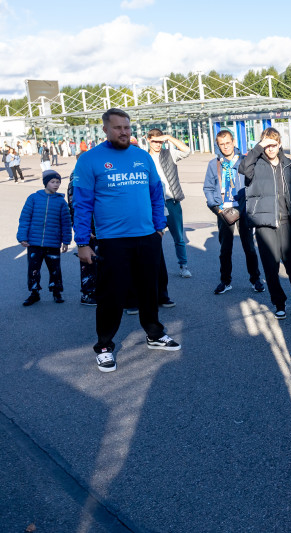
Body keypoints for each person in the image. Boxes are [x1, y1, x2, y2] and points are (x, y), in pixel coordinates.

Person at [72, 108, 181, 374]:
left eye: (127, 127)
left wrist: (159, 227)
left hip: (147, 237)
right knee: (112, 294)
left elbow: (156, 193)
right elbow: (82, 204)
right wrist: (82, 243)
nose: (124, 132)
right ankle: (104, 346)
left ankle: (154, 333)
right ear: (105, 130)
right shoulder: (90, 160)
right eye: (118, 128)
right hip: (112, 240)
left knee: (149, 290)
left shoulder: (141, 157)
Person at [241, 128, 291, 319]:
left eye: (273, 145)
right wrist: (259, 147)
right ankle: (279, 304)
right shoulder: (255, 164)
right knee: (271, 267)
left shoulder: (288, 164)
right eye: (266, 145)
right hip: (265, 224)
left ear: (279, 144)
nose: (270, 149)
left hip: (289, 222)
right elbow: (243, 168)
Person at [203, 129, 263, 295]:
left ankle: (255, 279)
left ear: (233, 142)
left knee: (249, 247)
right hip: (224, 210)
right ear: (218, 145)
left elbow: (255, 183)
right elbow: (208, 187)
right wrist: (216, 207)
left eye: (228, 143)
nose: (225, 146)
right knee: (225, 249)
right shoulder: (214, 164)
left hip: (243, 209)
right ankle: (225, 281)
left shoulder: (244, 161)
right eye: (221, 144)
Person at [17, 170, 72, 306]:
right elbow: (25, 219)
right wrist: (22, 237)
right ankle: (34, 293)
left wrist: (66, 241)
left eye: (58, 182)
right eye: (53, 182)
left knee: (55, 270)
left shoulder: (61, 202)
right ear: (45, 183)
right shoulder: (33, 198)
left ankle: (56, 291)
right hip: (34, 243)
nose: (56, 185)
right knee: (33, 270)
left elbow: (66, 223)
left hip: (52, 243)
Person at [147, 128, 192, 278]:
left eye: (160, 141)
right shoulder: (144, 158)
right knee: (154, 238)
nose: (157, 144)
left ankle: (183, 266)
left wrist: (168, 138)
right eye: (155, 141)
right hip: (153, 204)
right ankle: (155, 268)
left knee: (178, 237)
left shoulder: (169, 153)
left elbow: (186, 151)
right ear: (148, 140)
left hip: (171, 201)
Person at [67, 157, 98, 306]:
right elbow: (75, 207)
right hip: (88, 228)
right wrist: (84, 230)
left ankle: (95, 292)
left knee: (96, 261)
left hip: (95, 226)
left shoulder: (86, 175)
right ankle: (88, 294)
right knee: (89, 262)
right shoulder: (77, 178)